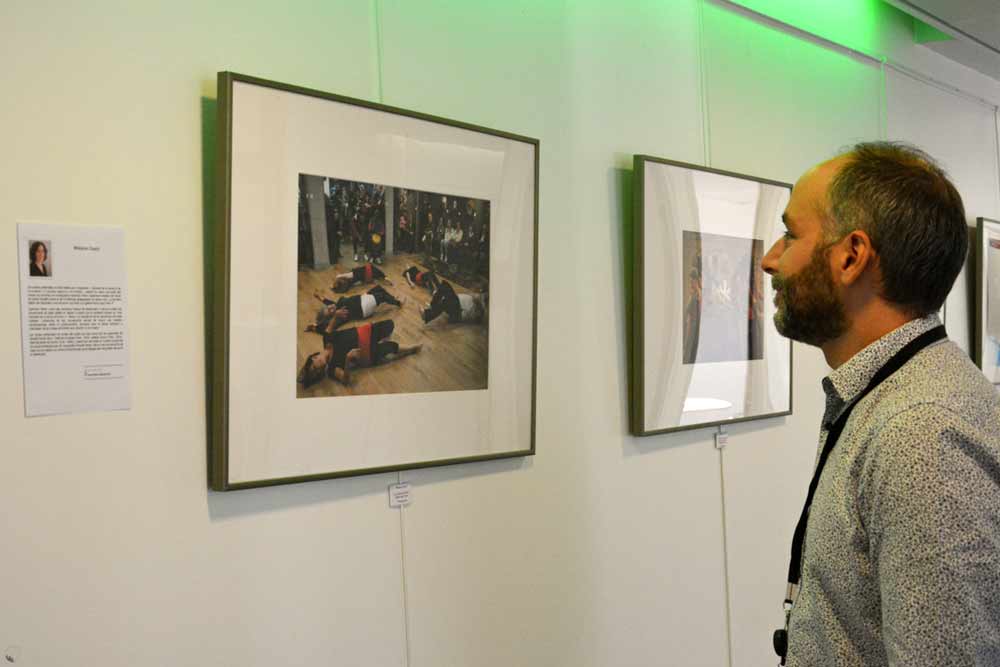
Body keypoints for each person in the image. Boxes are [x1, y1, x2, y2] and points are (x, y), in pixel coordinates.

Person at [763, 142, 1000, 666]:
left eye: (790, 234)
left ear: (851, 256)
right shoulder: (897, 400)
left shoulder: (920, 432)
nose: (770, 259)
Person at [298, 319, 421, 387]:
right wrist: (347, 360)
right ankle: (412, 348)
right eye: (316, 373)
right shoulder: (331, 370)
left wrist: (335, 315)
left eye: (314, 367)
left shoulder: (327, 339)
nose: (318, 368)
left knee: (390, 324)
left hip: (366, 332)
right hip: (367, 353)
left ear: (313, 357)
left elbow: (331, 324)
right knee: (392, 347)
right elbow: (345, 380)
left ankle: (382, 339)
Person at [307, 285, 404, 332]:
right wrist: (314, 327)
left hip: (361, 298)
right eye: (330, 310)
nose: (331, 307)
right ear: (331, 316)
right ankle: (399, 303)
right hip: (363, 307)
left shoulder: (335, 306)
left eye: (328, 307)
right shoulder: (339, 316)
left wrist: (318, 297)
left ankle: (393, 299)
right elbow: (327, 330)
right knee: (381, 296)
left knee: (378, 288)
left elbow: (327, 302)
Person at [421, 281, 486, 325]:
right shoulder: (477, 296)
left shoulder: (481, 304)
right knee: (444, 285)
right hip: (455, 304)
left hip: (458, 311)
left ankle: (427, 315)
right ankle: (432, 307)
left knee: (447, 299)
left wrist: (479, 302)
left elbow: (479, 318)